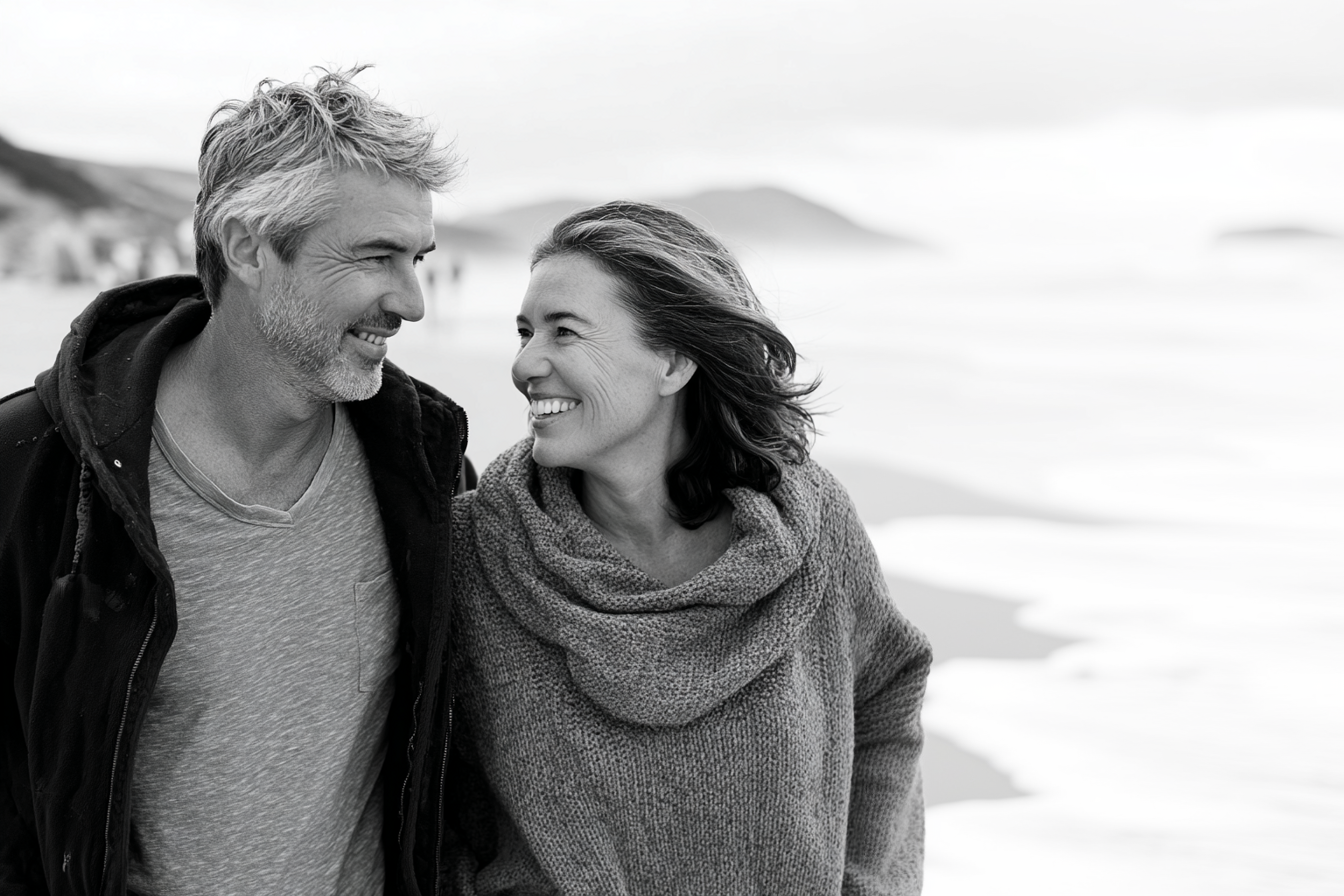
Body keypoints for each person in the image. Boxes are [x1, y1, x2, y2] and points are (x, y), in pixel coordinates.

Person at [0, 67, 470, 895]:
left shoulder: (426, 468)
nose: (413, 301)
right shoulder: (31, 471)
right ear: (249, 246)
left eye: (419, 259)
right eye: (376, 256)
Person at [447, 201, 932, 894]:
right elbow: (427, 799)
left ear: (673, 361)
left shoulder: (812, 528)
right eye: (525, 332)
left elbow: (886, 701)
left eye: (564, 331)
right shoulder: (475, 553)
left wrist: (866, 886)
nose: (525, 364)